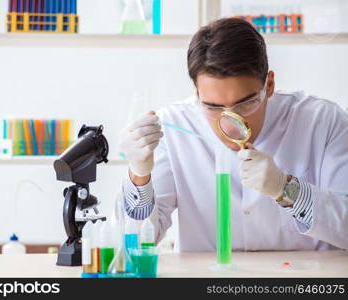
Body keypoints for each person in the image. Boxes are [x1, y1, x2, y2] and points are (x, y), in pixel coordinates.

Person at [117, 18, 348, 252]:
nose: (230, 124)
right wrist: (139, 175)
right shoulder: (172, 126)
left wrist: (287, 190)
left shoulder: (323, 121)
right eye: (213, 107)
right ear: (197, 94)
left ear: (269, 86)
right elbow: (135, 244)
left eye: (245, 104)